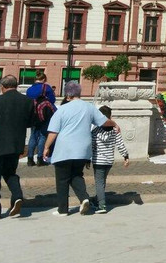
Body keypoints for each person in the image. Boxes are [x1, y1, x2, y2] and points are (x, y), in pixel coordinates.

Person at [43, 82, 117, 215]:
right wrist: (114, 124)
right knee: (77, 175)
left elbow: (53, 132)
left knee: (62, 179)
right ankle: (84, 198)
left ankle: (63, 210)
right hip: (83, 149)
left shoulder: (62, 109)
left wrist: (46, 147)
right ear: (79, 93)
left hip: (64, 149)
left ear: (67, 95)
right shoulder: (89, 107)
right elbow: (104, 121)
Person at [0, 75, 35, 218]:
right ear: (16, 86)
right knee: (10, 173)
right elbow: (30, 121)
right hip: (16, 145)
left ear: (2, 87)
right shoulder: (27, 101)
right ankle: (17, 195)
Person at [90, 105, 130, 213]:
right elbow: (120, 144)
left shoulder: (95, 131)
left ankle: (102, 205)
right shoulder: (114, 131)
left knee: (99, 182)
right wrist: (125, 156)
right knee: (102, 181)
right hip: (108, 161)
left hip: (98, 160)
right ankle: (97, 200)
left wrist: (88, 158)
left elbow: (92, 146)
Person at [25, 70, 56, 166]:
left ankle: (30, 159)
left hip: (33, 115)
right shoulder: (46, 88)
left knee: (33, 136)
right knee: (43, 136)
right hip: (45, 115)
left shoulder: (29, 89)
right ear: (43, 79)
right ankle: (40, 158)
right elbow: (52, 100)